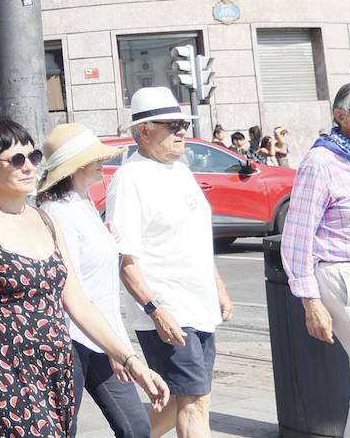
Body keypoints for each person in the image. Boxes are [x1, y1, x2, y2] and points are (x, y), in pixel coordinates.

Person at [0, 119, 168, 438]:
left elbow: (79, 303)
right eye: (16, 160)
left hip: (55, 368)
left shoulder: (46, 221)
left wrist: (132, 361)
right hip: (4, 371)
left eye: (32, 157)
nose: (28, 167)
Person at [108, 87, 233, 438]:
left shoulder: (180, 169)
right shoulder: (130, 179)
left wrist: (219, 288)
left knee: (181, 400)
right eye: (173, 125)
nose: (182, 132)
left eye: (184, 124)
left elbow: (195, 239)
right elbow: (124, 258)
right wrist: (155, 310)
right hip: (168, 310)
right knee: (196, 402)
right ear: (145, 131)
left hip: (200, 305)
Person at [281, 80, 350, 436]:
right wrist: (310, 302)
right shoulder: (321, 162)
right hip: (346, 278)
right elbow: (297, 237)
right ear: (341, 116)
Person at [37, 123, 151, 438]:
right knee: (61, 430)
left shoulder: (84, 202)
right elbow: (71, 291)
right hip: (69, 338)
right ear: (78, 165)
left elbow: (99, 284)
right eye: (95, 158)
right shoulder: (57, 212)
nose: (102, 162)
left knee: (137, 428)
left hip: (101, 335)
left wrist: (117, 344)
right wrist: (116, 348)